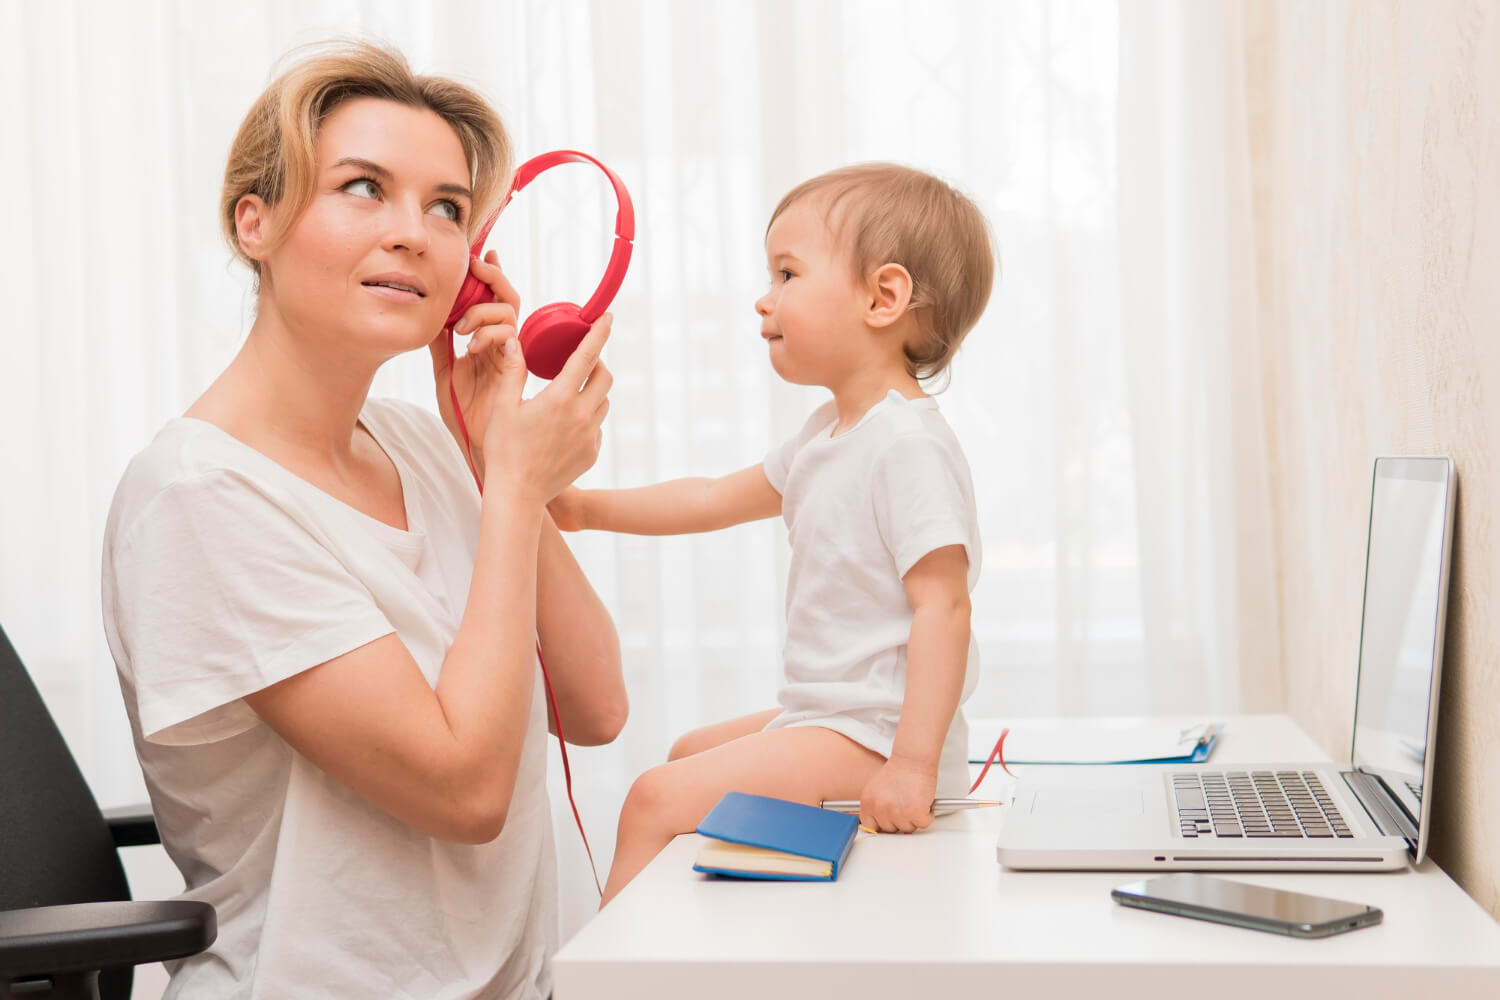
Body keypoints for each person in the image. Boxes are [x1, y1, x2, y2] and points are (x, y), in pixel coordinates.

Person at [100, 41, 622, 999]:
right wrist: (511, 492)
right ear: (253, 222)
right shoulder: (201, 499)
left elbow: (594, 706)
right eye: (362, 188)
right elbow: (465, 792)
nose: (413, 233)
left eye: (448, 207)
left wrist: (487, 453)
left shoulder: (422, 444)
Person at [548, 163, 996, 904]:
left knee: (653, 800)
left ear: (884, 297)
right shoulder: (829, 435)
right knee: (688, 754)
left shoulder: (906, 446)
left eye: (787, 273)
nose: (765, 298)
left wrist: (913, 767)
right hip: (835, 716)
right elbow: (710, 498)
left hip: (877, 734)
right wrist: (583, 507)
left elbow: (944, 608)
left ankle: (604, 976)